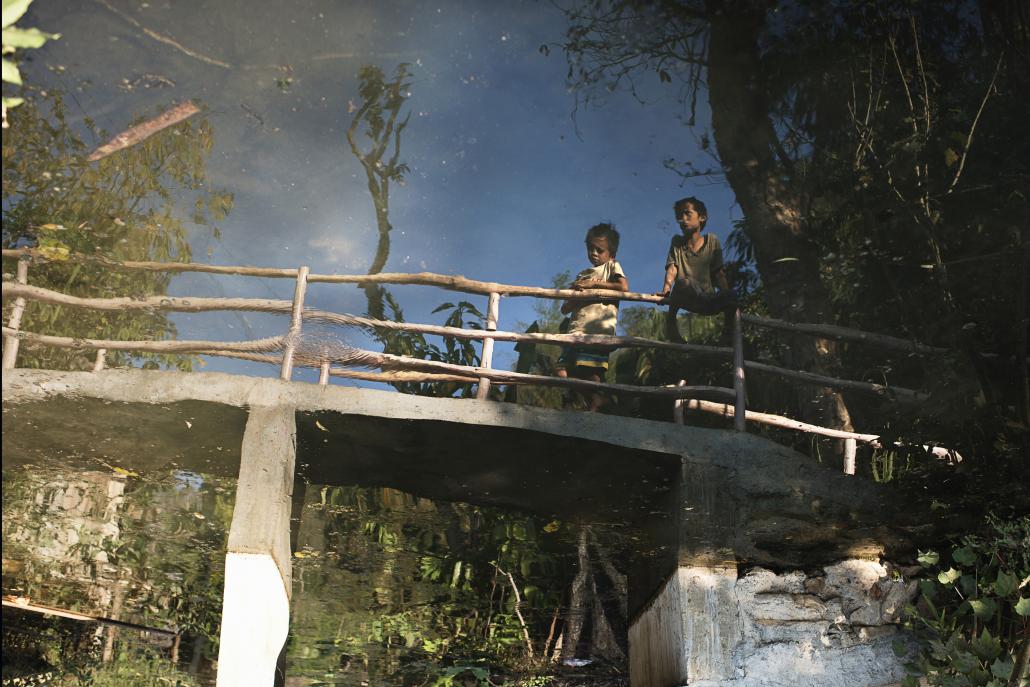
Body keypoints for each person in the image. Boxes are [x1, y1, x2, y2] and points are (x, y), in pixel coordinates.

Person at [555, 222, 630, 411]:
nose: (594, 253)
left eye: (600, 250)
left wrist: (595, 286)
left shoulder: (611, 267)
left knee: (590, 372)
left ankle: (596, 404)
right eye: (591, 249)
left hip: (596, 331)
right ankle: (594, 399)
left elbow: (623, 287)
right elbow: (565, 309)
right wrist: (579, 294)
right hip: (575, 330)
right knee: (561, 369)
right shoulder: (582, 275)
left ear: (611, 253)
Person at [656, 196, 737, 343]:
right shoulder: (677, 242)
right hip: (686, 296)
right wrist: (666, 289)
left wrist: (727, 296)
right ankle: (671, 325)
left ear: (702, 217)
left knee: (731, 294)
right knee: (684, 282)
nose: (683, 219)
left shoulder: (712, 240)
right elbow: (672, 269)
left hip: (707, 299)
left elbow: (719, 273)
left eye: (687, 214)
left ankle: (727, 334)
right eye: (679, 216)